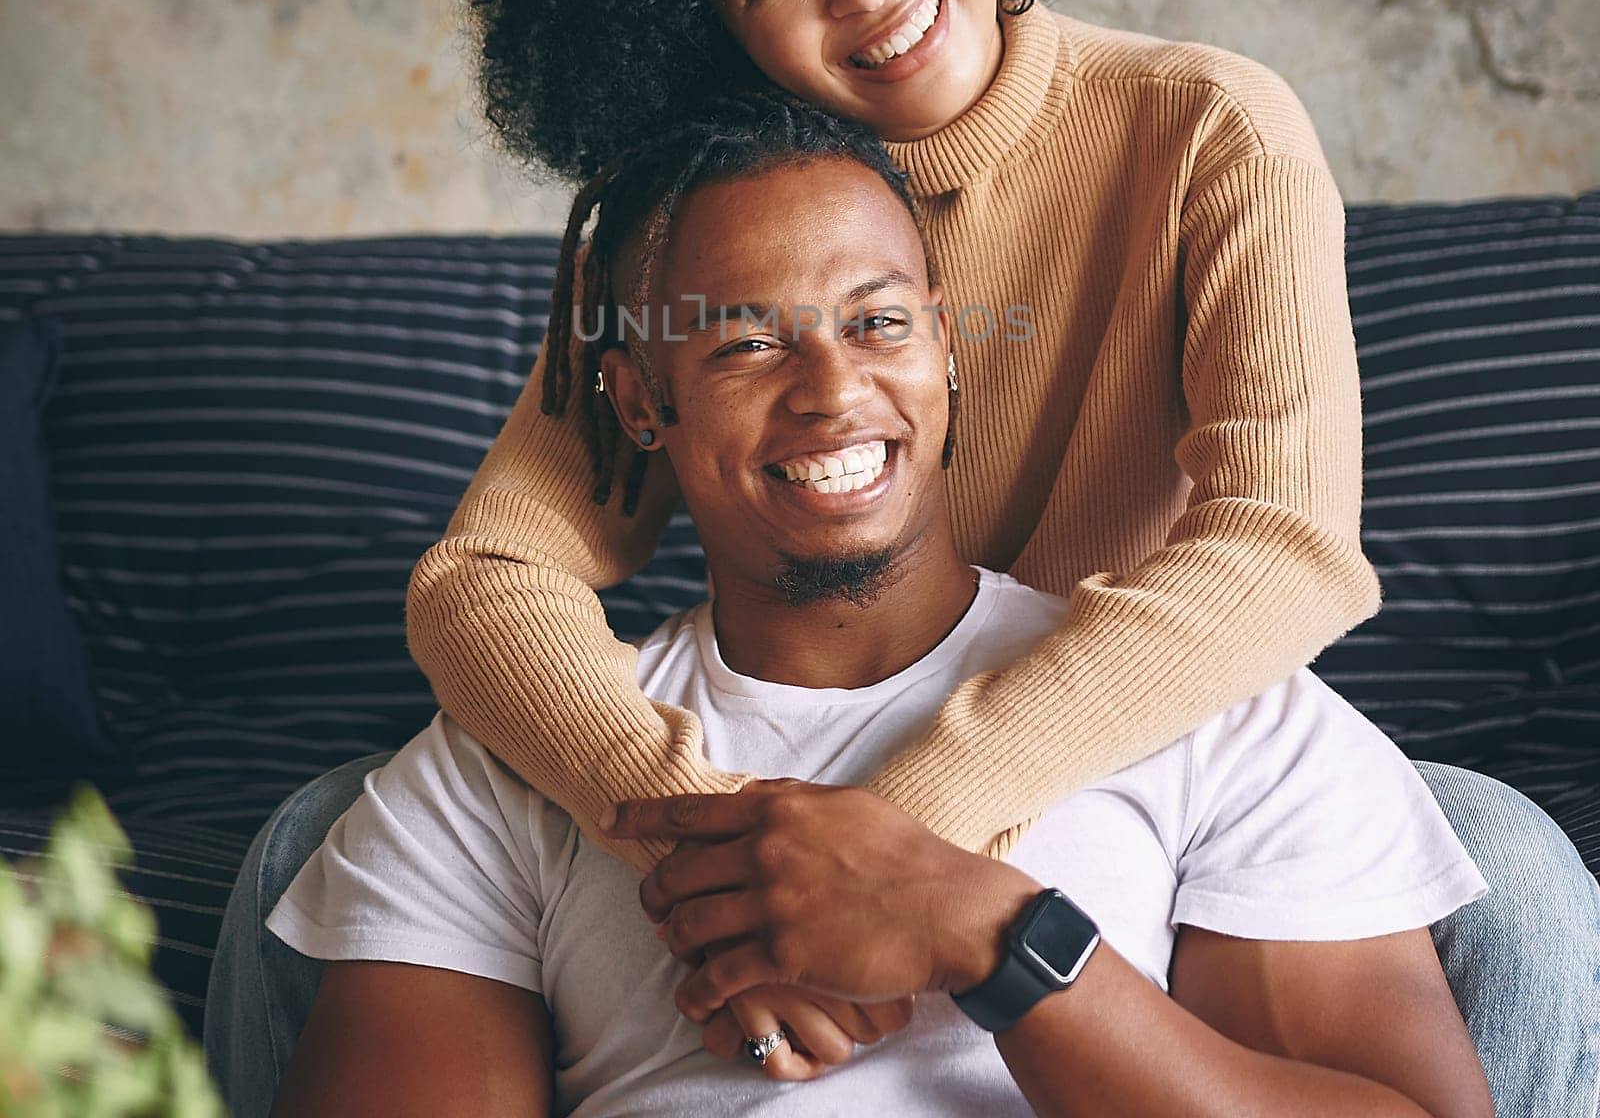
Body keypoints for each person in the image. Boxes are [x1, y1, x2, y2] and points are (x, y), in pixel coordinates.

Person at [202, 0, 1600, 1116]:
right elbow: (487, 581)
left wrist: (908, 840)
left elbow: (1279, 545)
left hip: (1108, 744)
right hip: (774, 746)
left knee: (1512, 862)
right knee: (316, 835)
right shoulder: (700, 222)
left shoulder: (1209, 129)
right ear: (705, 25)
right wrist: (720, 847)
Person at [262, 95, 1494, 1116]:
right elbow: (478, 580)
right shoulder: (516, 760)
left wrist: (996, 939)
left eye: (878, 322)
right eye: (746, 344)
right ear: (639, 401)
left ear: (948, 347)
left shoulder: (1218, 718)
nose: (832, 389)